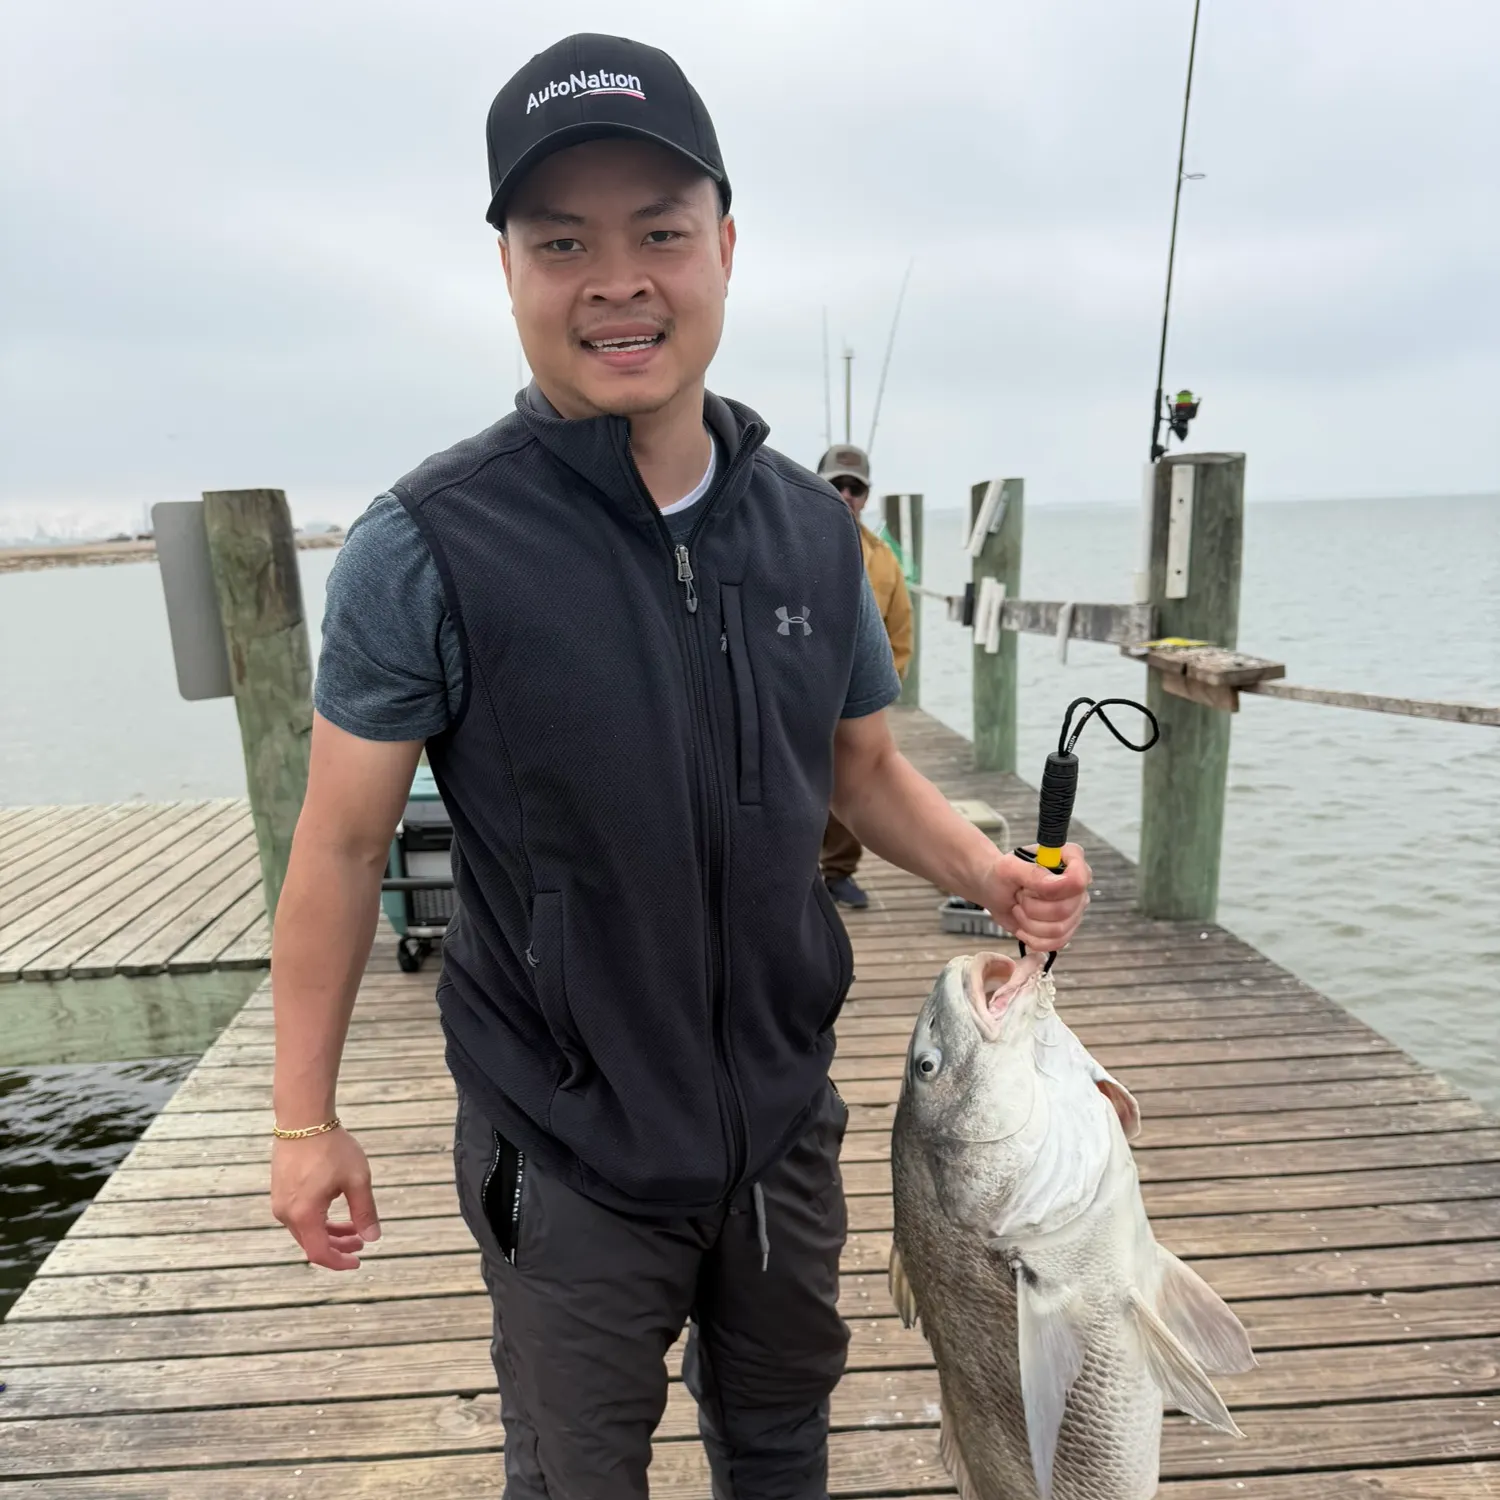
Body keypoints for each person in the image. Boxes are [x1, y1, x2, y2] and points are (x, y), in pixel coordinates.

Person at [268, 33, 1091, 1500]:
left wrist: (991, 872)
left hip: (779, 1125)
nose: (617, 280)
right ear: (508, 269)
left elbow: (858, 767)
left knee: (782, 1447)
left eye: (659, 232)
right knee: (576, 1472)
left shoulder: (809, 532)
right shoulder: (428, 543)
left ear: (725, 246)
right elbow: (338, 847)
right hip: (564, 1142)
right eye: (562, 242)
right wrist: (303, 1119)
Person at [814, 441, 912, 910]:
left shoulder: (884, 558)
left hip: (851, 700)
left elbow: (900, 633)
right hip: (792, 695)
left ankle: (838, 873)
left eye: (856, 488)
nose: (847, 495)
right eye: (837, 484)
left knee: (851, 782)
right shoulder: (781, 539)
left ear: (867, 496)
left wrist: (872, 696)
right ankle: (792, 879)